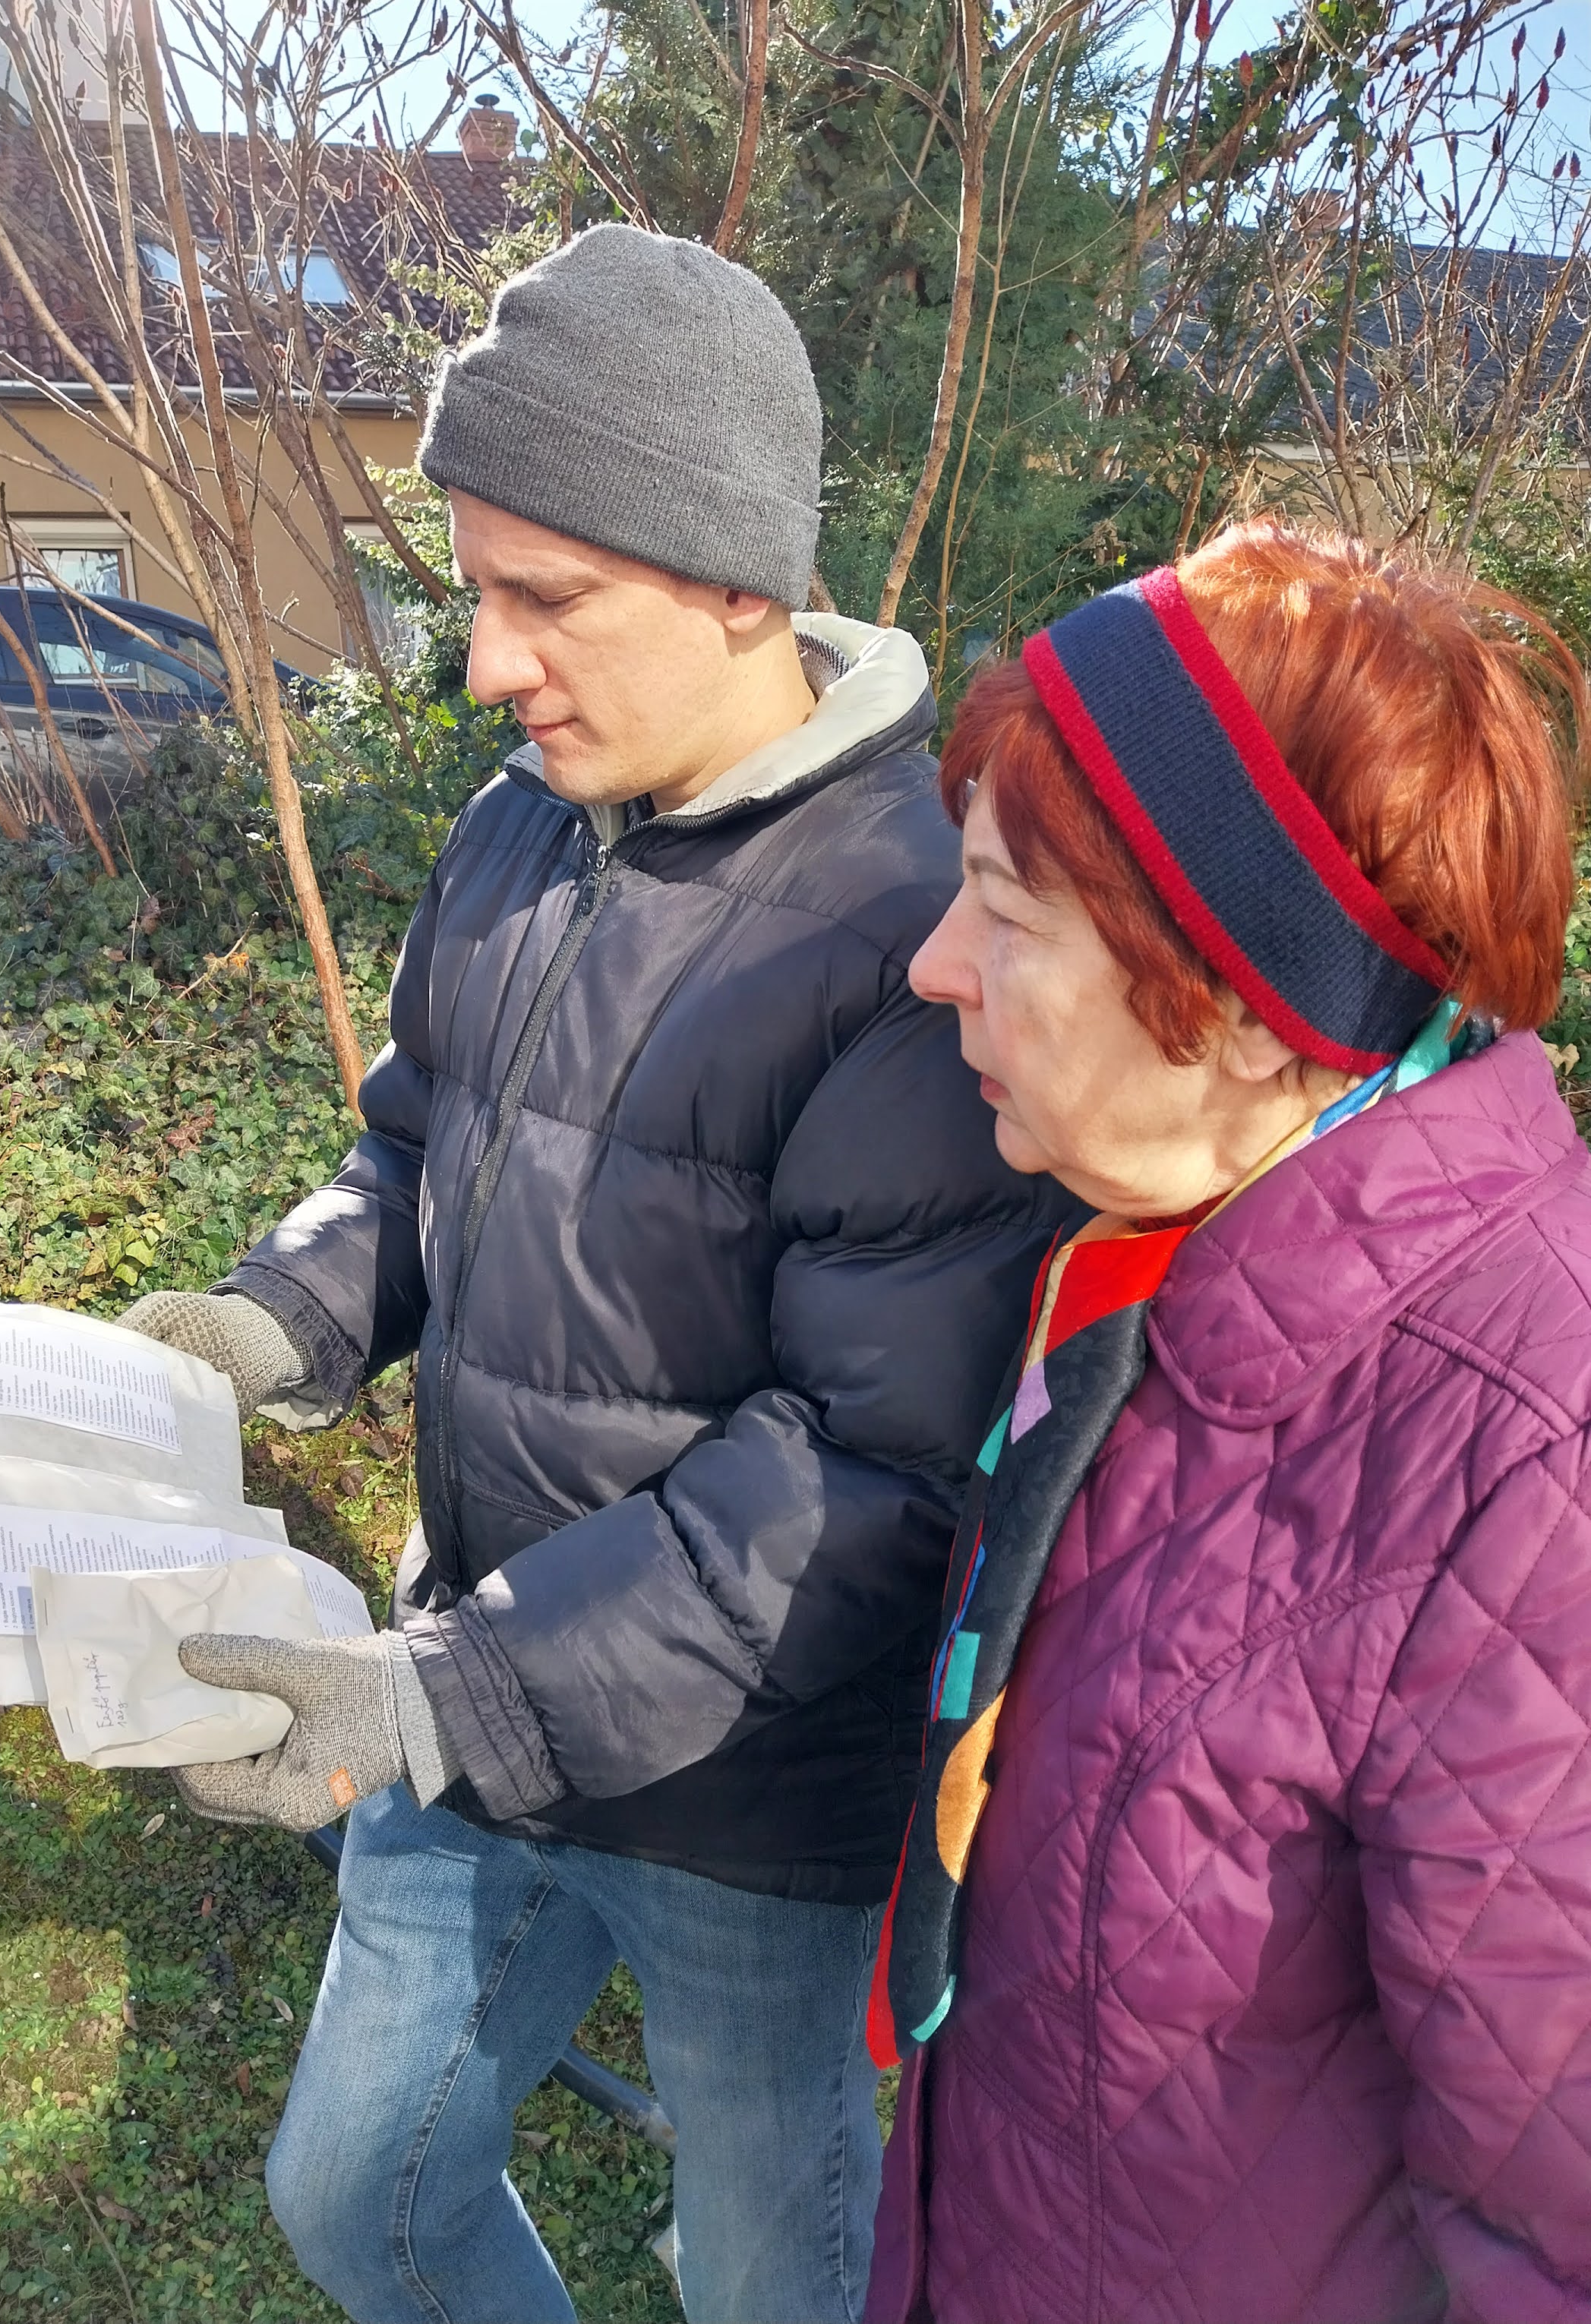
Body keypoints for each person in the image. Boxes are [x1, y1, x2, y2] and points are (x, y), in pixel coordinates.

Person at [125, 223, 1068, 2324]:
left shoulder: (912, 934)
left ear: (738, 582)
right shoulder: (518, 832)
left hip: (749, 1811)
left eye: (544, 598)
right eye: (476, 591)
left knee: (774, 2278)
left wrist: (441, 1698)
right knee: (356, 2199)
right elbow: (416, 1142)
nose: (486, 663)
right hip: (463, 1694)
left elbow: (863, 1472)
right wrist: (274, 1316)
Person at [864, 523, 1591, 2324]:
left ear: (1254, 1010)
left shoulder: (1531, 1467)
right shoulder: (1163, 1255)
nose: (931, 965)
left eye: (1005, 913)